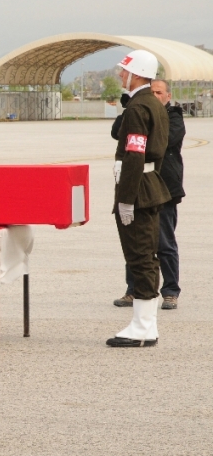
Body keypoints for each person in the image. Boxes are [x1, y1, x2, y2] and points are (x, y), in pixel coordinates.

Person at [106, 50, 172, 348]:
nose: (121, 75)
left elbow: (135, 153)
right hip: (149, 183)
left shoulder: (138, 107)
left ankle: (144, 326)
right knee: (145, 254)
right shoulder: (153, 104)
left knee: (140, 255)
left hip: (138, 188)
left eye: (125, 71)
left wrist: (127, 198)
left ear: (138, 74)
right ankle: (144, 323)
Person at [112, 79, 185, 310]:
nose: (154, 95)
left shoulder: (172, 117)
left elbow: (162, 142)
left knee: (164, 242)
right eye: (150, 92)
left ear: (168, 96)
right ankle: (133, 289)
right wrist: (130, 108)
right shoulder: (138, 111)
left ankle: (170, 290)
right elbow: (117, 132)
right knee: (136, 242)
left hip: (164, 187)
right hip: (140, 188)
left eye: (159, 92)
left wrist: (142, 120)